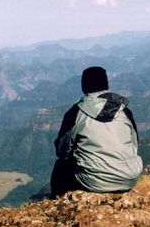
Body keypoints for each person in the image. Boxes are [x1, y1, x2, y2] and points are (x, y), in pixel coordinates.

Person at [50, 66, 143, 198]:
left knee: (61, 165)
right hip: (128, 178)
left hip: (93, 181)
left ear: (84, 86)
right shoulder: (124, 111)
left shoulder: (76, 112)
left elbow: (62, 150)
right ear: (106, 84)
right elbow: (135, 145)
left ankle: (57, 203)